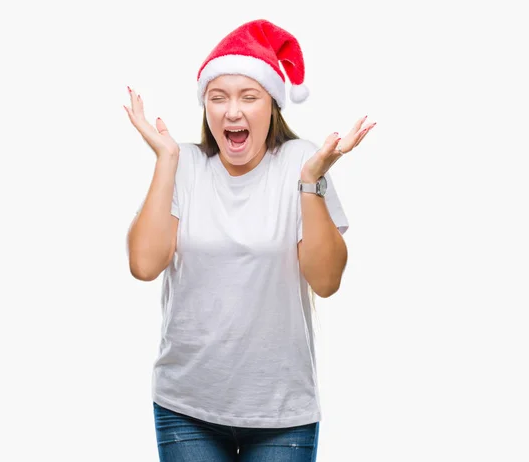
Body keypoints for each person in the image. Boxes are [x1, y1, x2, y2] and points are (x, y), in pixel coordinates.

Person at [124, 18, 375, 462]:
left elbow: (326, 280)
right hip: (186, 406)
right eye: (217, 98)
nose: (232, 112)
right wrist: (166, 159)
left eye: (248, 97)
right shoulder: (185, 167)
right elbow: (145, 265)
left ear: (273, 106)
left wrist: (311, 182)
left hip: (282, 413)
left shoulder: (301, 163)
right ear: (206, 108)